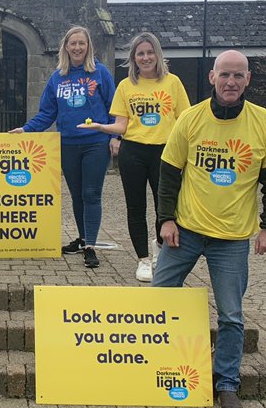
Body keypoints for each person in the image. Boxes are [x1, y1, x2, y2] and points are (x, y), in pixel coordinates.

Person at [152, 49, 266, 408]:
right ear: (212, 77)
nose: (231, 82)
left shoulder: (263, 122)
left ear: (248, 80)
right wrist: (166, 220)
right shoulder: (191, 119)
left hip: (231, 239)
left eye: (238, 76)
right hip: (186, 231)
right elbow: (169, 172)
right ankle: (154, 367)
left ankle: (226, 383)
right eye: (225, 74)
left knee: (231, 316)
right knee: (158, 300)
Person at [78, 32, 190, 282]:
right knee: (135, 207)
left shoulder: (173, 83)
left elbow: (185, 122)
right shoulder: (126, 86)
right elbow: (121, 125)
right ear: (134, 58)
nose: (146, 57)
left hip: (165, 154)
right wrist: (101, 128)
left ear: (158, 55)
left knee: (166, 207)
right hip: (133, 153)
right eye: (141, 53)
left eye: (150, 52)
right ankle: (143, 260)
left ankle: (161, 251)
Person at [12, 25, 115, 268]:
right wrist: (26, 129)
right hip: (68, 144)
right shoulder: (57, 78)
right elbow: (47, 113)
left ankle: (91, 245)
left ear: (88, 46)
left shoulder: (100, 73)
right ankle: (82, 238)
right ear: (66, 48)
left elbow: (115, 109)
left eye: (82, 43)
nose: (77, 47)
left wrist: (115, 137)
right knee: (77, 195)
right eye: (73, 44)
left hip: (95, 144)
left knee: (91, 194)